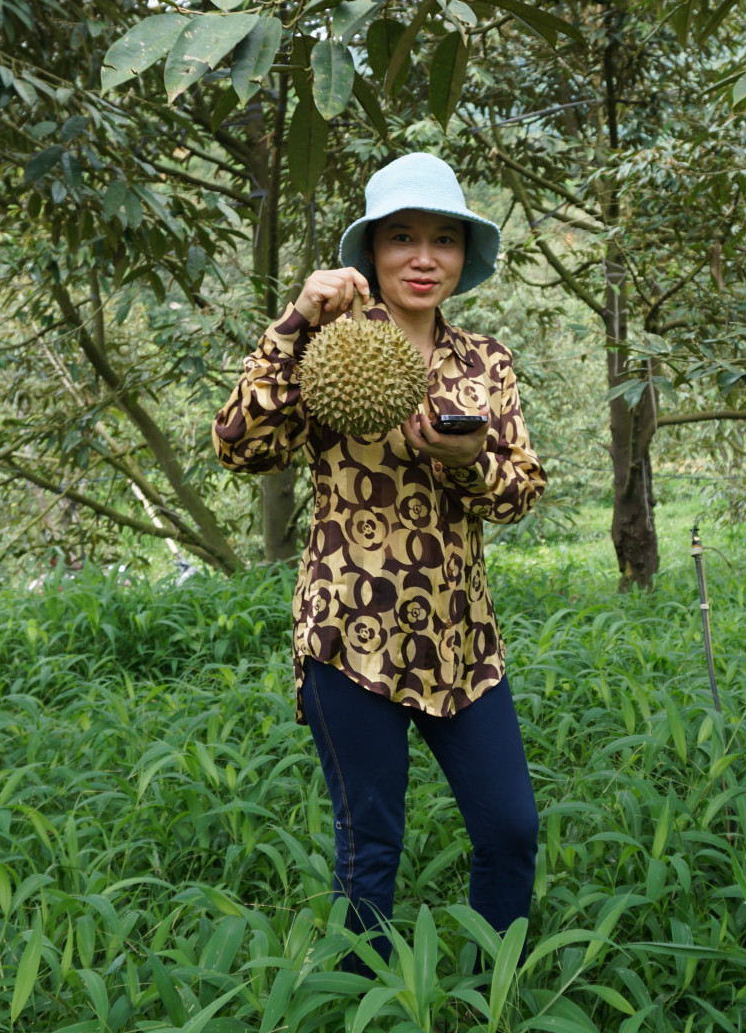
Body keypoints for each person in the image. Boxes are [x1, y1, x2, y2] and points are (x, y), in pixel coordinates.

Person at [213, 152, 546, 970]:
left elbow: (518, 493)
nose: (423, 257)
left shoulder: (485, 362)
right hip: (349, 638)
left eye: (443, 239)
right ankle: (361, 1006)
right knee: (371, 851)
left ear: (465, 256)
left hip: (462, 640)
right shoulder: (326, 350)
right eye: (402, 238)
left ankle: (487, 1001)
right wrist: (295, 321)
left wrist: (466, 463)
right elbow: (240, 447)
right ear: (372, 253)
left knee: (511, 828)